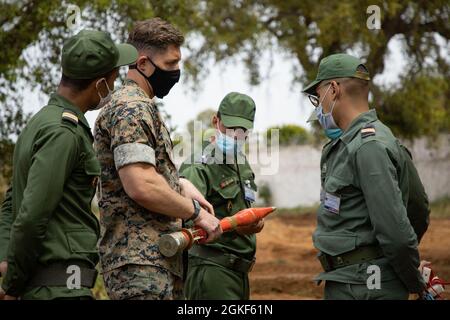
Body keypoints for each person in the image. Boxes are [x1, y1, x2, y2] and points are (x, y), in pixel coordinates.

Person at [0, 29, 137, 300]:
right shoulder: (64, 132)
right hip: (60, 288)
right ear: (100, 84)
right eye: (113, 78)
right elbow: (31, 214)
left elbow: (10, 204)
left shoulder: (40, 122)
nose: (115, 85)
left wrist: (5, 259)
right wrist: (11, 283)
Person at [94, 18, 222, 300]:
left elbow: (148, 173)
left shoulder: (141, 106)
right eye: (170, 64)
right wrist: (196, 213)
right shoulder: (132, 108)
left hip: (155, 260)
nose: (176, 72)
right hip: (140, 266)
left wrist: (179, 184)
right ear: (142, 64)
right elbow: (141, 184)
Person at [303, 53, 428, 300]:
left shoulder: (367, 146)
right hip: (349, 280)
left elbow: (396, 230)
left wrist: (409, 277)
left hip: (364, 286)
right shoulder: (356, 143)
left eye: (318, 96)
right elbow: (418, 208)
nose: (319, 106)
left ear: (334, 89)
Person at [180, 92, 263, 300]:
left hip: (239, 272)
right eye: (231, 127)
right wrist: (234, 225)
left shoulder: (240, 162)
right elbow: (185, 221)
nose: (236, 135)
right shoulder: (199, 165)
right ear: (216, 121)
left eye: (243, 130)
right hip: (212, 271)